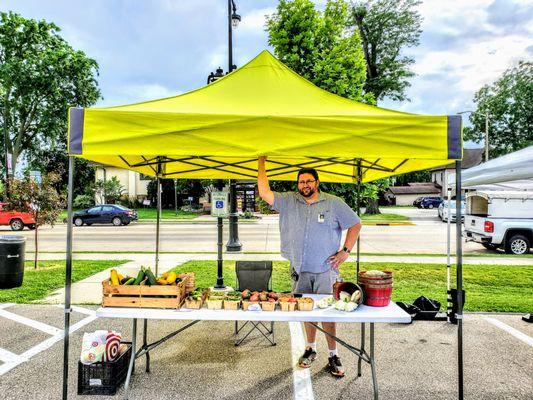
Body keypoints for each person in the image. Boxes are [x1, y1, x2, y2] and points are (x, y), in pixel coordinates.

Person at [257, 156, 362, 378]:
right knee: (307, 311)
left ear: (317, 183)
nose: (305, 185)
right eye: (301, 182)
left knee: (329, 313)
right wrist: (262, 161)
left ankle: (333, 354)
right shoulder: (288, 201)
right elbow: (265, 193)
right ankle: (310, 349)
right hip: (300, 269)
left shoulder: (333, 203)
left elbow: (355, 224)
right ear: (298, 184)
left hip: (326, 270)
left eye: (309, 181)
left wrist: (346, 251)